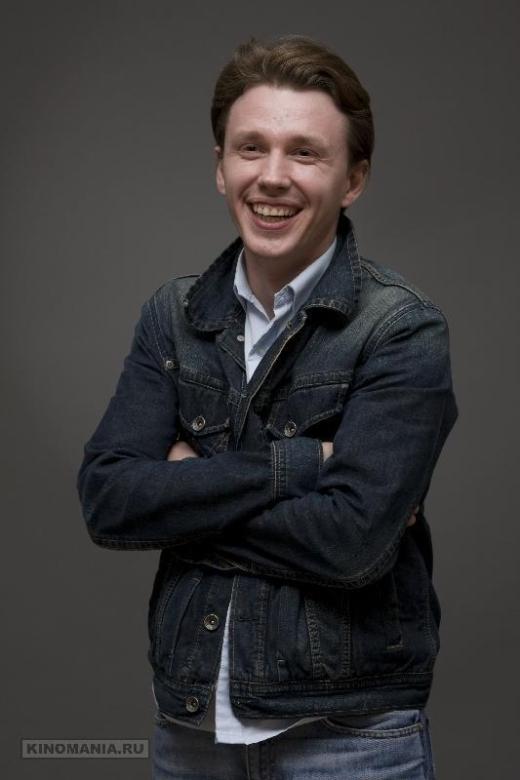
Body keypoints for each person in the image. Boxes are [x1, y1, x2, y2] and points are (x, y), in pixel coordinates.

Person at [77, 34, 458, 780]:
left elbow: (352, 542)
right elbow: (108, 499)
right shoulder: (173, 316)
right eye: (251, 148)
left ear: (353, 179)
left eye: (305, 153)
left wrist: (184, 490)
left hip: (350, 738)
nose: (272, 176)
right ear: (221, 166)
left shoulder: (402, 328)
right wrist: (299, 466)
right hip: (191, 734)